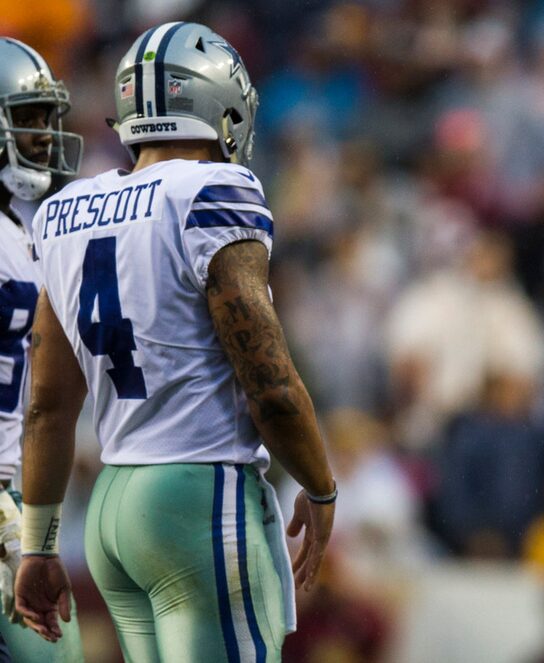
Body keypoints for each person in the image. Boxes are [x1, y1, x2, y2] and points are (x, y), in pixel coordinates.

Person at [14, 22, 337, 662]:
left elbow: (48, 405)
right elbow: (268, 382)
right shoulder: (214, 189)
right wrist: (321, 487)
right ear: (223, 105)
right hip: (196, 494)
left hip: (113, 506)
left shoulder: (63, 210)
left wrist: (38, 544)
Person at [0, 37, 85, 662]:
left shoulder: (41, 227)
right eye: (26, 119)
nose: (45, 137)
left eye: (47, 119)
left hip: (28, 499)